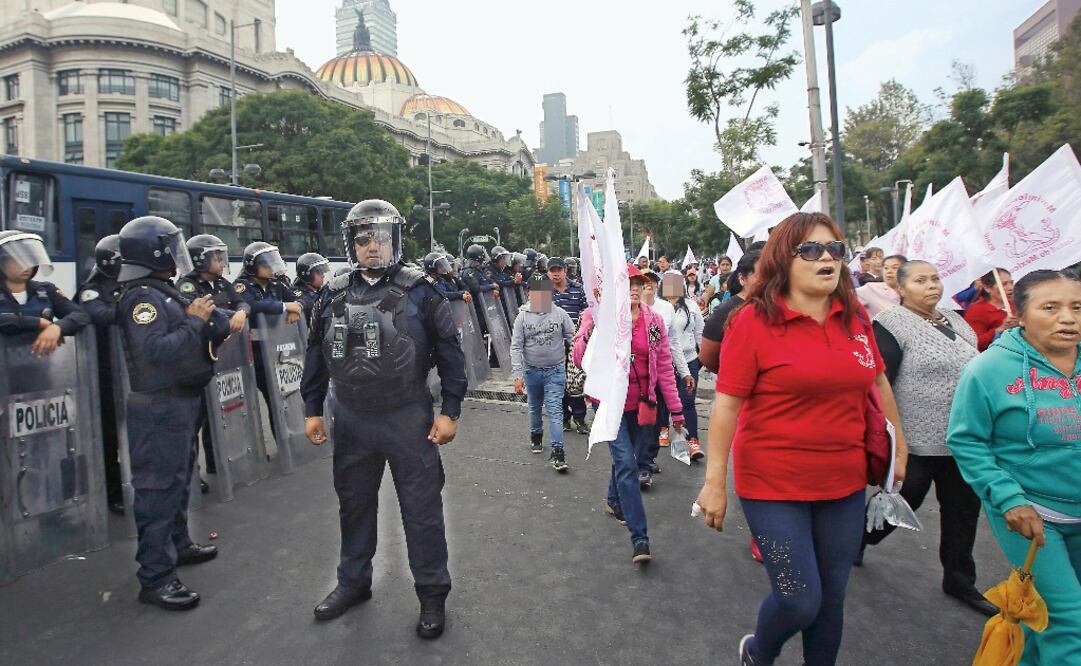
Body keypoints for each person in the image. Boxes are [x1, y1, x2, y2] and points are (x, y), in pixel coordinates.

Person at [694, 212, 908, 666]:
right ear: (783, 260)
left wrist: (899, 447)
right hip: (772, 485)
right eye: (811, 249)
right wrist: (715, 482)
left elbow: (879, 384)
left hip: (844, 483)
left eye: (835, 250)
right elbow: (727, 405)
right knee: (798, 599)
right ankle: (758, 652)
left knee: (831, 601)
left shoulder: (854, 318)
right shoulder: (751, 322)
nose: (826, 258)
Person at [301, 199, 467, 639]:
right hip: (351, 418)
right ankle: (353, 582)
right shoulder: (332, 292)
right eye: (363, 238)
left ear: (395, 240)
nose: (372, 246)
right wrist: (312, 409)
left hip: (407, 417)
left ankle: (432, 594)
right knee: (354, 506)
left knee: (422, 510)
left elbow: (451, 355)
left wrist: (450, 411)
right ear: (351, 243)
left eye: (380, 237)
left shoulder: (423, 291)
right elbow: (315, 354)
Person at [948, 270, 1081, 664]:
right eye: (1050, 308)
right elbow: (966, 440)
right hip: (1034, 517)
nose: (1068, 318)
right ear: (1020, 314)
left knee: (1041, 617)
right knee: (1069, 621)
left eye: (1077, 307)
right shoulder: (987, 371)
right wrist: (1008, 499)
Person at [861, 261, 994, 616]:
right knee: (905, 501)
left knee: (964, 510)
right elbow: (879, 384)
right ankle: (857, 541)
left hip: (963, 438)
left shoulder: (956, 318)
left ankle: (960, 579)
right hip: (915, 439)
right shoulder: (889, 325)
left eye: (935, 279)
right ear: (901, 289)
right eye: (920, 280)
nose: (932, 286)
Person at [115, 216, 226, 611]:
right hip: (159, 403)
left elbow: (209, 325)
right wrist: (195, 321)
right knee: (157, 490)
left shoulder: (165, 291)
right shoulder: (141, 299)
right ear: (155, 251)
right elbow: (156, 350)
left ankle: (177, 545)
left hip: (180, 400)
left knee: (178, 482)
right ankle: (156, 576)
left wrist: (207, 321)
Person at [572, 264, 684, 564]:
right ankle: (640, 538)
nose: (634, 288)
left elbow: (663, 369)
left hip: (642, 403)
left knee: (629, 461)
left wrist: (676, 410)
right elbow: (579, 358)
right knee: (626, 464)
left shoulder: (654, 321)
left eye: (638, 283)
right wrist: (593, 330)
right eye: (627, 283)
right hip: (609, 403)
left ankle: (613, 500)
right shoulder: (595, 316)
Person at [176, 234, 251, 489]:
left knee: (215, 411)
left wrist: (241, 311)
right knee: (194, 417)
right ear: (199, 259)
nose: (220, 262)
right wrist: (233, 314)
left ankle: (216, 460)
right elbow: (201, 310)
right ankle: (191, 474)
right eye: (215, 257)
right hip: (197, 357)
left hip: (221, 357)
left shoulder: (221, 283)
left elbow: (243, 302)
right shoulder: (188, 285)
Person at [77, 235, 126, 514]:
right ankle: (113, 491)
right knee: (108, 436)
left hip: (132, 373)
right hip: (105, 373)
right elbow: (101, 315)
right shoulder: (93, 289)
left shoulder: (130, 286)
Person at [511, 273, 575, 470]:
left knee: (555, 410)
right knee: (534, 406)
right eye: (536, 292)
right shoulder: (522, 316)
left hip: (556, 371)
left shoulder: (560, 314)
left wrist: (581, 359)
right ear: (529, 293)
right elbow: (516, 347)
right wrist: (518, 375)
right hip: (531, 371)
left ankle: (558, 452)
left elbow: (572, 337)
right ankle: (536, 434)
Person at [234, 242, 303, 419]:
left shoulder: (276, 284)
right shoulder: (242, 286)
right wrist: (284, 306)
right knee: (254, 402)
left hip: (278, 349)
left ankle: (285, 441)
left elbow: (298, 299)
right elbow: (252, 305)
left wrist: (298, 308)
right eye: (266, 264)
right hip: (254, 353)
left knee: (281, 399)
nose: (271, 267)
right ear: (253, 266)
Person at [640, 269, 691, 487]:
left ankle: (647, 458)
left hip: (659, 372)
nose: (648, 285)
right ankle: (638, 462)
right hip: (635, 377)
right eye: (643, 282)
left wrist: (685, 371)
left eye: (651, 281)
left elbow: (672, 343)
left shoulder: (665, 309)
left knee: (654, 417)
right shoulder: (627, 308)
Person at [0, 231, 89, 352]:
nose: (27, 266)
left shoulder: (46, 291)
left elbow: (81, 315)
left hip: (41, 365)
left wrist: (58, 327)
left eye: (30, 259)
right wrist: (38, 322)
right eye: (18, 260)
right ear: (2, 262)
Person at [662, 272, 705, 460]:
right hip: (664, 362)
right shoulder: (659, 307)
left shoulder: (692, 306)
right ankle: (663, 429)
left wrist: (704, 356)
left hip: (689, 360)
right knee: (663, 400)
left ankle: (692, 441)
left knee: (687, 401)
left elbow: (699, 332)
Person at [699, 247, 762, 374]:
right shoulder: (725, 311)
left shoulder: (781, 307)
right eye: (761, 275)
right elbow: (708, 358)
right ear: (742, 279)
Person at [548, 257, 589, 435]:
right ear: (548, 273)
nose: (556, 273)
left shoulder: (578, 289)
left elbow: (587, 314)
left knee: (576, 381)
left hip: (576, 345)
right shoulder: (544, 291)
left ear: (565, 270)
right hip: (553, 344)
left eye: (559, 269)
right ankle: (564, 417)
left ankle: (580, 419)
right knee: (558, 383)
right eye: (552, 270)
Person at [964, 268, 1018, 351]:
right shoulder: (976, 311)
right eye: (1004, 284)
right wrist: (1001, 328)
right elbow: (975, 344)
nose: (1010, 287)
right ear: (987, 288)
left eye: (1011, 283)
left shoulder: (1016, 303)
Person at [856, 253, 905, 318]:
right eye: (886, 268)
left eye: (895, 268)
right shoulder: (871, 289)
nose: (889, 271)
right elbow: (844, 298)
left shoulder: (912, 292)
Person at [292, 252, 330, 320]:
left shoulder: (317, 291)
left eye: (323, 271)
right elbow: (312, 303)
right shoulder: (300, 296)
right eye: (319, 272)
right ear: (308, 275)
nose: (323, 275)